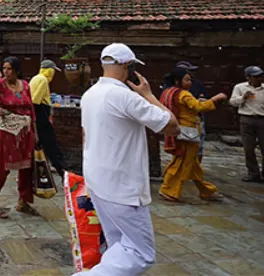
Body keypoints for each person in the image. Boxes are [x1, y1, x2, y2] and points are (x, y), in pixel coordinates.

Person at [79, 43, 180, 275]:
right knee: (140, 253)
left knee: (118, 245)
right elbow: (173, 126)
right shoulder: (125, 97)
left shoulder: (90, 94)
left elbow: (85, 136)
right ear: (128, 66)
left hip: (97, 180)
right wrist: (148, 95)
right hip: (123, 187)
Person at [0, 57, 38, 219]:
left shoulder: (25, 85)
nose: (6, 72)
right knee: (2, 166)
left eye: (9, 68)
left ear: (16, 70)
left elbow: (30, 108)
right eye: (4, 68)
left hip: (25, 130)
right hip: (7, 132)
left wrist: (35, 131)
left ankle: (23, 201)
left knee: (27, 167)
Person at [158, 68, 227, 202]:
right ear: (178, 81)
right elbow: (198, 108)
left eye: (190, 79)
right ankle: (168, 190)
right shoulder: (184, 94)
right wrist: (215, 99)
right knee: (181, 162)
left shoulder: (169, 92)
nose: (190, 82)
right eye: (187, 79)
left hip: (179, 131)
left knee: (193, 165)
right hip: (188, 133)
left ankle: (207, 191)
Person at [230, 66, 264, 187]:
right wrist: (243, 97)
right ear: (248, 77)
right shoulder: (240, 87)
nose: (259, 79)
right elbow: (232, 102)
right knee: (248, 148)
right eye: (256, 77)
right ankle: (253, 173)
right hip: (246, 119)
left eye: (260, 76)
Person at [29, 59, 66, 177]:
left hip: (37, 116)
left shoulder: (35, 78)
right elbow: (35, 100)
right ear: (49, 70)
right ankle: (63, 172)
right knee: (51, 145)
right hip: (41, 116)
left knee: (41, 146)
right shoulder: (43, 80)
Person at [176, 61, 208, 161]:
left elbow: (203, 101)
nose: (192, 74)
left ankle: (195, 169)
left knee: (197, 146)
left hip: (196, 119)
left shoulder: (197, 84)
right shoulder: (172, 88)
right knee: (180, 148)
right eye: (189, 71)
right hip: (179, 120)